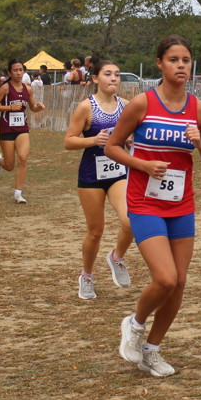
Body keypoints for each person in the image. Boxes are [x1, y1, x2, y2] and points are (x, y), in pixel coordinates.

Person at [106, 36, 201, 377]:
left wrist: (200, 144)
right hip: (144, 202)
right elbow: (112, 147)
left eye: (186, 60)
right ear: (160, 63)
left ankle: (151, 351)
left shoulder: (200, 110)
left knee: (180, 282)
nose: (181, 65)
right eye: (174, 59)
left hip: (181, 204)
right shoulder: (142, 103)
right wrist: (142, 165)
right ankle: (134, 323)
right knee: (166, 278)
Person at [64, 60, 134, 300]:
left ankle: (117, 257)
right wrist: (93, 140)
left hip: (118, 173)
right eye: (108, 74)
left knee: (131, 221)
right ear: (95, 78)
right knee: (95, 231)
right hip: (91, 175)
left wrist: (130, 141)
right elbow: (69, 141)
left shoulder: (127, 106)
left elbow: (132, 138)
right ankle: (87, 275)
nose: (114, 78)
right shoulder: (86, 107)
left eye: (117, 74)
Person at [0, 59, 45, 204]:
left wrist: (38, 107)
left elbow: (32, 107)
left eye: (21, 70)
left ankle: (18, 194)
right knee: (9, 166)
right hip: (6, 129)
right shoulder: (5, 88)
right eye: (15, 70)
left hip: (22, 128)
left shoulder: (28, 89)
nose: (18, 73)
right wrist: (10, 108)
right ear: (10, 73)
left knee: (23, 157)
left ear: (24, 71)